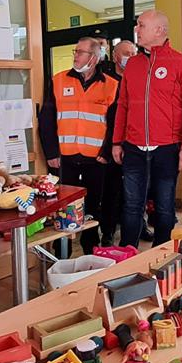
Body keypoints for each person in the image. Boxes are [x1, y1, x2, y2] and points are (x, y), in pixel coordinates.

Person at [112, 10, 182, 247]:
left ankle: (160, 254)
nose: (137, 30)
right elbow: (122, 104)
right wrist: (116, 141)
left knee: (163, 207)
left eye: (141, 25)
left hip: (167, 148)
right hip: (133, 147)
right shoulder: (132, 64)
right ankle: (126, 255)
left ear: (159, 30)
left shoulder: (181, 63)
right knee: (131, 206)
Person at [39, 37, 118, 255]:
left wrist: (106, 152)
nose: (75, 55)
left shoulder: (111, 85)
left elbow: (116, 123)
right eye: (75, 51)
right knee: (63, 207)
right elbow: (46, 119)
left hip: (96, 159)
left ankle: (91, 252)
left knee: (92, 207)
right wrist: (51, 152)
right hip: (64, 158)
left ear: (93, 57)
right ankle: (60, 253)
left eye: (80, 52)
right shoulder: (59, 80)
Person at [99, 40, 137, 246]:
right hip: (108, 143)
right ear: (115, 56)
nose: (130, 56)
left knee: (135, 190)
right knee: (111, 191)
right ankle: (108, 231)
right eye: (125, 53)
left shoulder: (139, 77)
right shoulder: (104, 80)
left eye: (133, 52)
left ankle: (137, 226)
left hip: (133, 142)